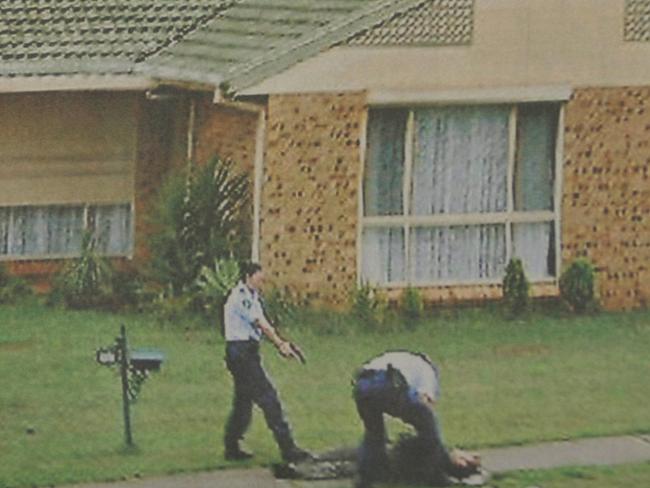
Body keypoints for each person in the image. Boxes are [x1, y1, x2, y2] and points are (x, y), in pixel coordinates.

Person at [222, 262, 311, 463]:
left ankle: (231, 446)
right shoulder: (241, 297)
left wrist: (282, 342)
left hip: (246, 352)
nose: (262, 282)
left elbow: (265, 324)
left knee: (243, 402)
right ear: (248, 276)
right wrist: (279, 344)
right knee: (268, 398)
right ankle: (288, 449)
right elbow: (259, 324)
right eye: (259, 278)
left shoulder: (253, 298)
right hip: (241, 353)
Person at [352, 350, 479, 488]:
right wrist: (441, 448)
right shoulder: (427, 370)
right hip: (388, 383)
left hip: (362, 386)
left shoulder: (404, 358)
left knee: (374, 433)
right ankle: (436, 477)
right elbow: (426, 403)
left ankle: (365, 479)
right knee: (429, 428)